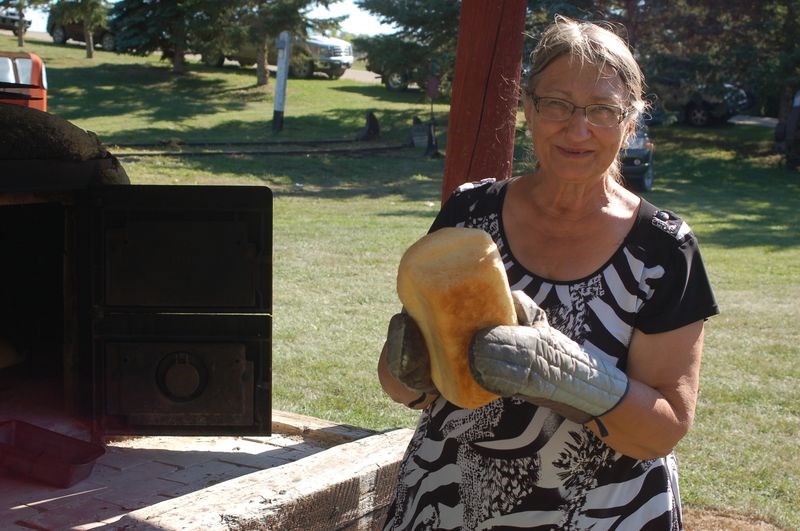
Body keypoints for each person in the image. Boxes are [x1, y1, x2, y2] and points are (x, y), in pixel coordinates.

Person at [377, 15, 719, 530]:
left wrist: (572, 378)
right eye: (556, 104)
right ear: (528, 108)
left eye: (603, 110)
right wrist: (408, 368)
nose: (577, 129)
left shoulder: (663, 250)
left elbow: (663, 429)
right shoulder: (470, 215)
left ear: (630, 122)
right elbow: (406, 389)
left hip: (602, 514)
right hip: (447, 501)